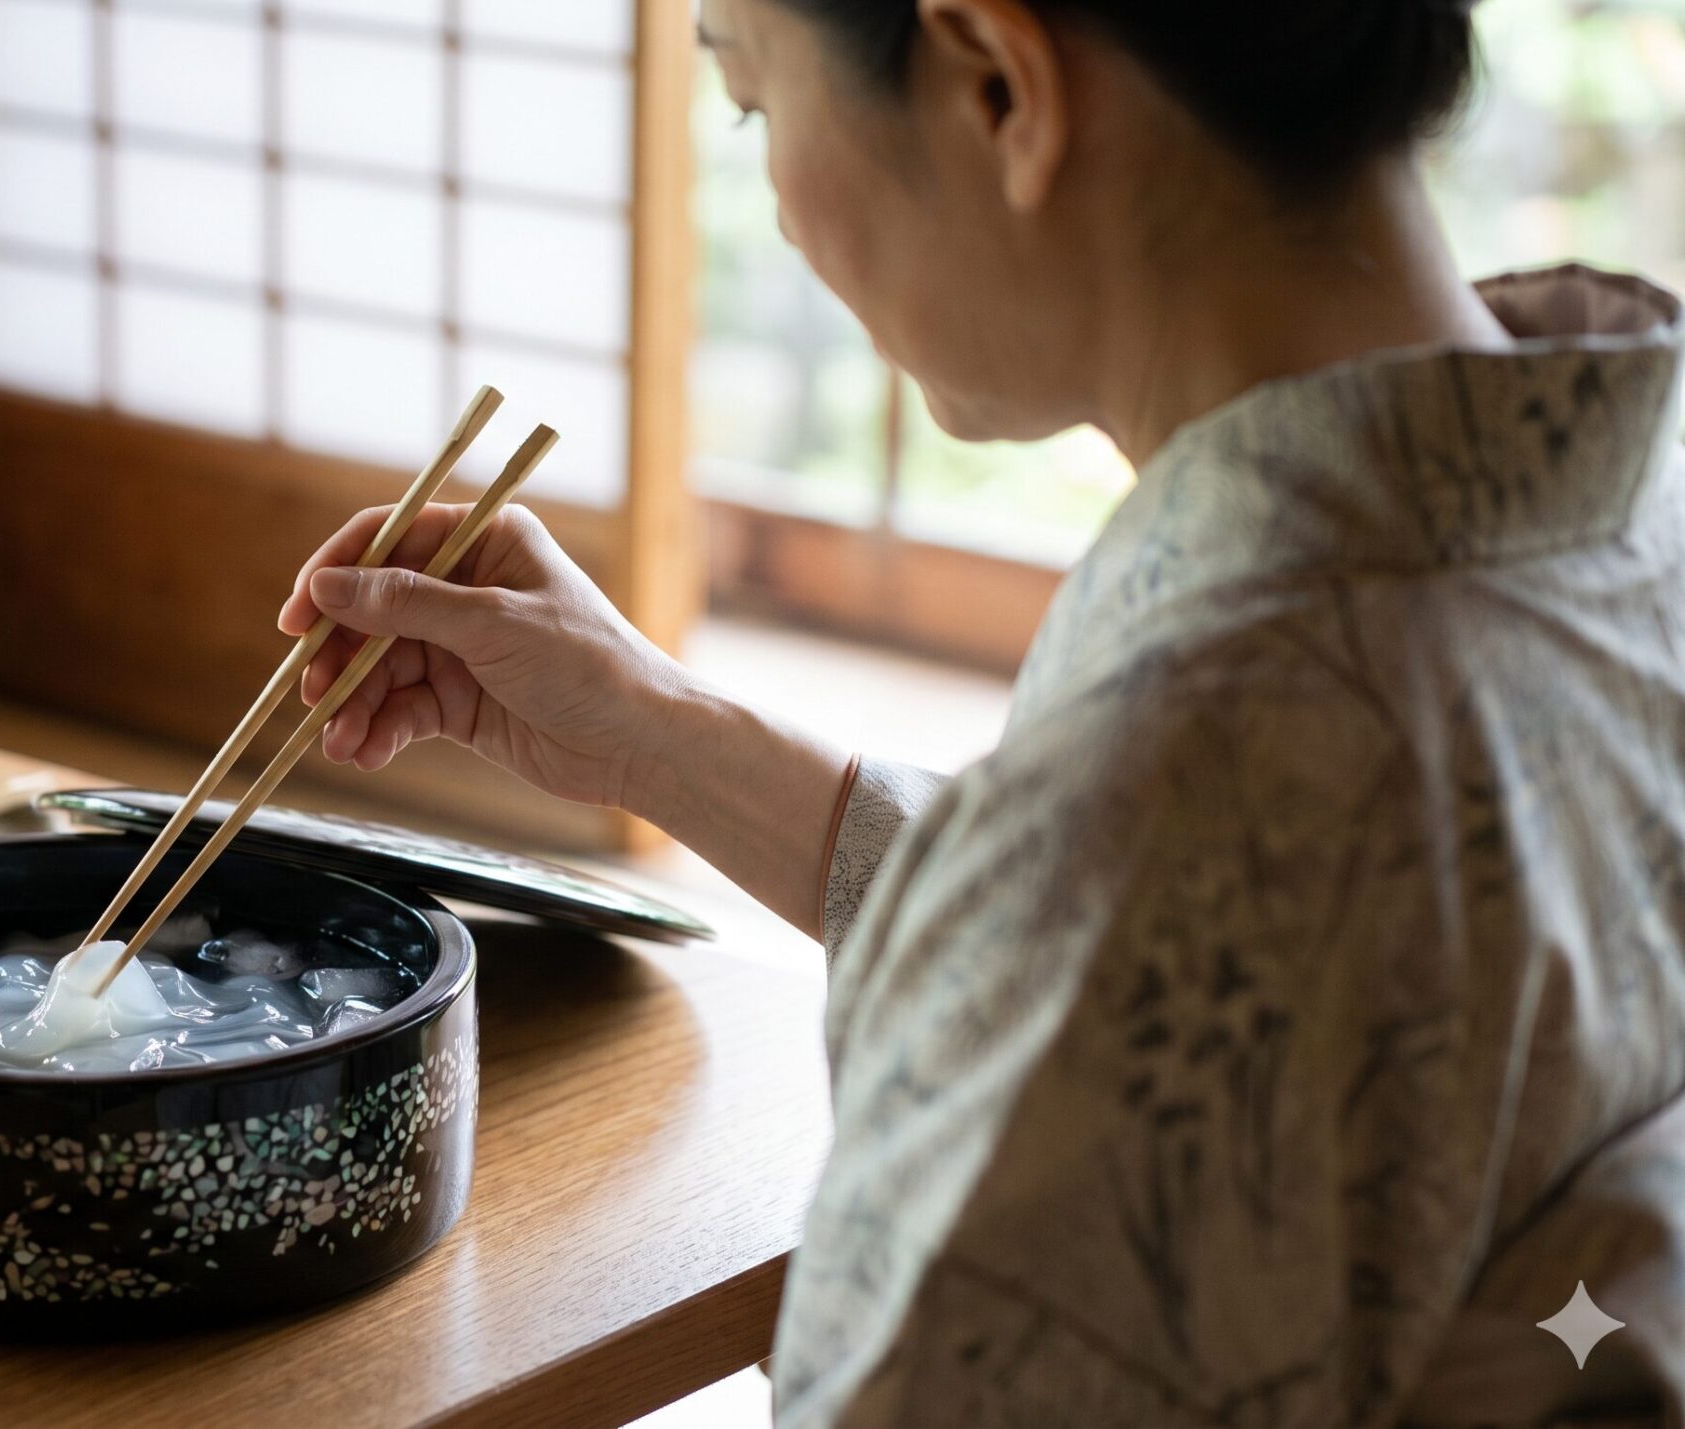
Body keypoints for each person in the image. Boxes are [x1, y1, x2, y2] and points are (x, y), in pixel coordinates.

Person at [276, 0, 1685, 1423]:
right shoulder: (1626, 506)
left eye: (758, 100)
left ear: (1001, 87)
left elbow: (1169, 913)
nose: (774, 200)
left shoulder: (1191, 790)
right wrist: (653, 727)